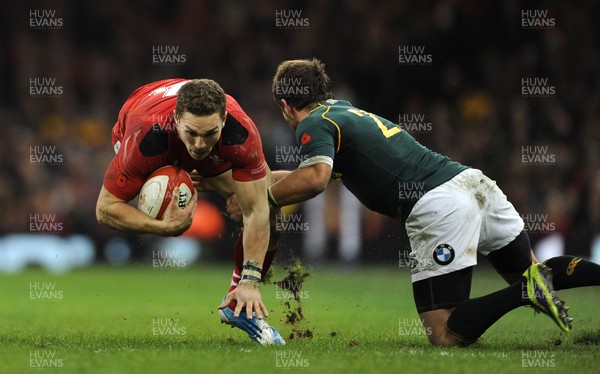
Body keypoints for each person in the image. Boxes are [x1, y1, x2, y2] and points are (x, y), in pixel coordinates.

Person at [230, 58, 600, 346]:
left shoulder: (314, 124)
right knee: (535, 269)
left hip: (438, 205)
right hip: (472, 183)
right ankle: (534, 285)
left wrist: (266, 200)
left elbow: (313, 179)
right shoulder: (340, 112)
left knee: (444, 333)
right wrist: (247, 188)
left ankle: (525, 293)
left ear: (284, 105)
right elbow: (302, 173)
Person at [96, 78, 285, 345]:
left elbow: (257, 210)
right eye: (191, 133)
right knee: (166, 185)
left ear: (224, 119)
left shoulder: (241, 132)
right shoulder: (146, 136)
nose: (198, 144)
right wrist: (163, 228)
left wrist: (251, 282)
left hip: (203, 152)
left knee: (272, 213)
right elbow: (105, 209)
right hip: (142, 118)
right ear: (176, 118)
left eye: (209, 133)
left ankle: (237, 304)